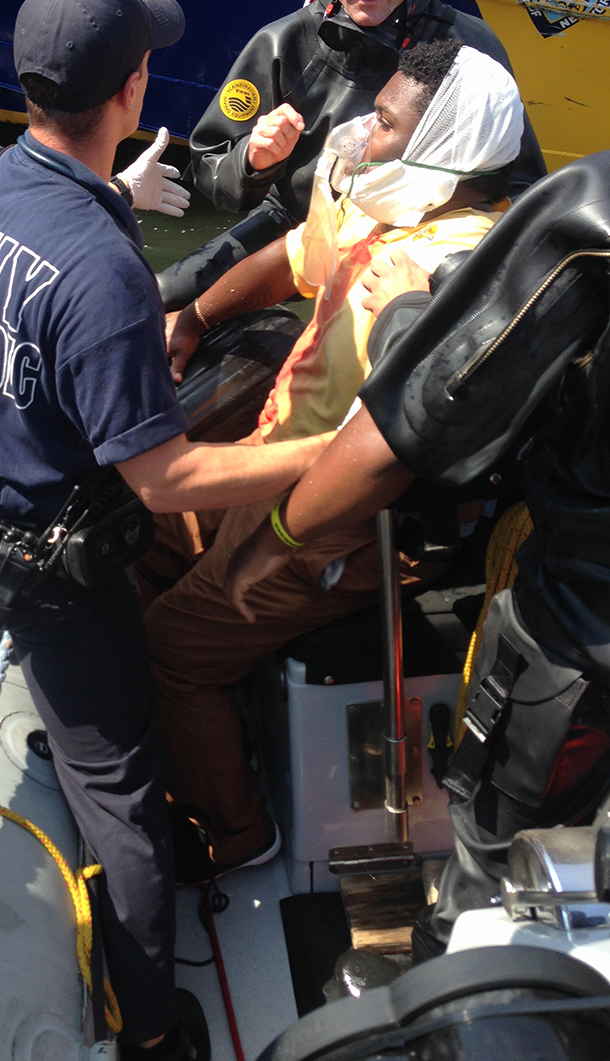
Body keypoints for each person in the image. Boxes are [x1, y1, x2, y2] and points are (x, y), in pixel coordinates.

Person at [0, 0, 337, 1058]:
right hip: (33, 568)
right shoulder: (101, 270)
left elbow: (17, 277)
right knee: (124, 794)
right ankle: (150, 1028)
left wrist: (114, 195)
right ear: (135, 91)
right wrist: (325, 455)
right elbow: (164, 480)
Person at [145, 39, 524, 883]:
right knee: (136, 531)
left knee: (173, 642)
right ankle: (189, 745)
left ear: (447, 153)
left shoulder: (455, 277)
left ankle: (238, 838)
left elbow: (387, 454)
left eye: (384, 122)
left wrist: (272, 543)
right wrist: (195, 317)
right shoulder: (389, 204)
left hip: (342, 529)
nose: (360, 130)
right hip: (275, 466)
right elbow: (298, 259)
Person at [223, 148, 610, 955]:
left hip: (580, 638)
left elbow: (433, 412)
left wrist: (406, 312)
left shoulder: (590, 214)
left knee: (496, 850)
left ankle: (447, 991)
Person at [158, 0, 545, 310]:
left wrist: (447, 270)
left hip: (414, 245)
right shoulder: (281, 43)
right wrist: (253, 160)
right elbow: (209, 166)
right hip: (295, 225)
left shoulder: (468, 53)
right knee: (161, 298)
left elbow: (522, 190)